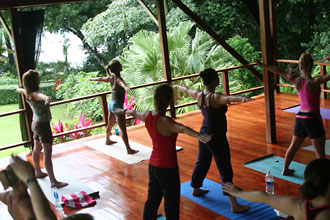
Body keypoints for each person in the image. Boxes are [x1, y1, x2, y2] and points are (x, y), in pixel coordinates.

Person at [115, 84, 212, 220]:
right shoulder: (165, 121)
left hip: (153, 166)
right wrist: (199, 135)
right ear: (169, 100)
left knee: (153, 199)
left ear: (155, 99)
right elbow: (182, 128)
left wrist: (121, 111)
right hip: (168, 168)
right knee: (171, 203)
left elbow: (133, 113)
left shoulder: (147, 115)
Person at [173, 68, 251, 213]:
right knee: (225, 168)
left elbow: (186, 90)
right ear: (214, 80)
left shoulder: (199, 94)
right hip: (216, 137)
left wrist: (177, 87)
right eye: (217, 78)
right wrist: (242, 98)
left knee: (202, 162)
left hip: (204, 134)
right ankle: (235, 205)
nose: (218, 80)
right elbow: (228, 98)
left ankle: (196, 188)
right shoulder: (215, 97)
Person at [256, 53, 330, 176]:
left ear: (300, 66)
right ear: (312, 66)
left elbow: (277, 70)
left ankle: (285, 169)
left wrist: (262, 65)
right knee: (320, 154)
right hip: (313, 119)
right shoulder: (315, 81)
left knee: (293, 147)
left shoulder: (296, 80)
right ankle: (322, 177)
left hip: (300, 117)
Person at [223, 158, 330, 220]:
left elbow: (264, 197)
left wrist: (239, 193)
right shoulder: (325, 214)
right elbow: (264, 197)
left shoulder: (298, 205)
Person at [17, 70, 68, 188]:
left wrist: (20, 89)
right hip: (43, 126)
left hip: (35, 124)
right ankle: (53, 181)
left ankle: (38, 172)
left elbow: (19, 89)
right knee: (47, 154)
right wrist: (47, 99)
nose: (39, 79)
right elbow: (42, 96)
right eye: (37, 78)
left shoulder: (27, 92)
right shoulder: (35, 94)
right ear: (33, 81)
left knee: (36, 149)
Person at [88, 59, 138, 154]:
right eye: (120, 65)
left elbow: (101, 79)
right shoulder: (118, 78)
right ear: (117, 68)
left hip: (111, 104)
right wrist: (126, 87)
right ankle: (128, 149)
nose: (121, 65)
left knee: (110, 124)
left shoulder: (111, 77)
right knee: (122, 128)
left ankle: (107, 140)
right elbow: (121, 83)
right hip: (117, 106)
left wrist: (91, 79)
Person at [10, 155, 57, 220]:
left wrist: (30, 179)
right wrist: (30, 179)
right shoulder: (23, 204)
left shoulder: (11, 197)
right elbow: (45, 216)